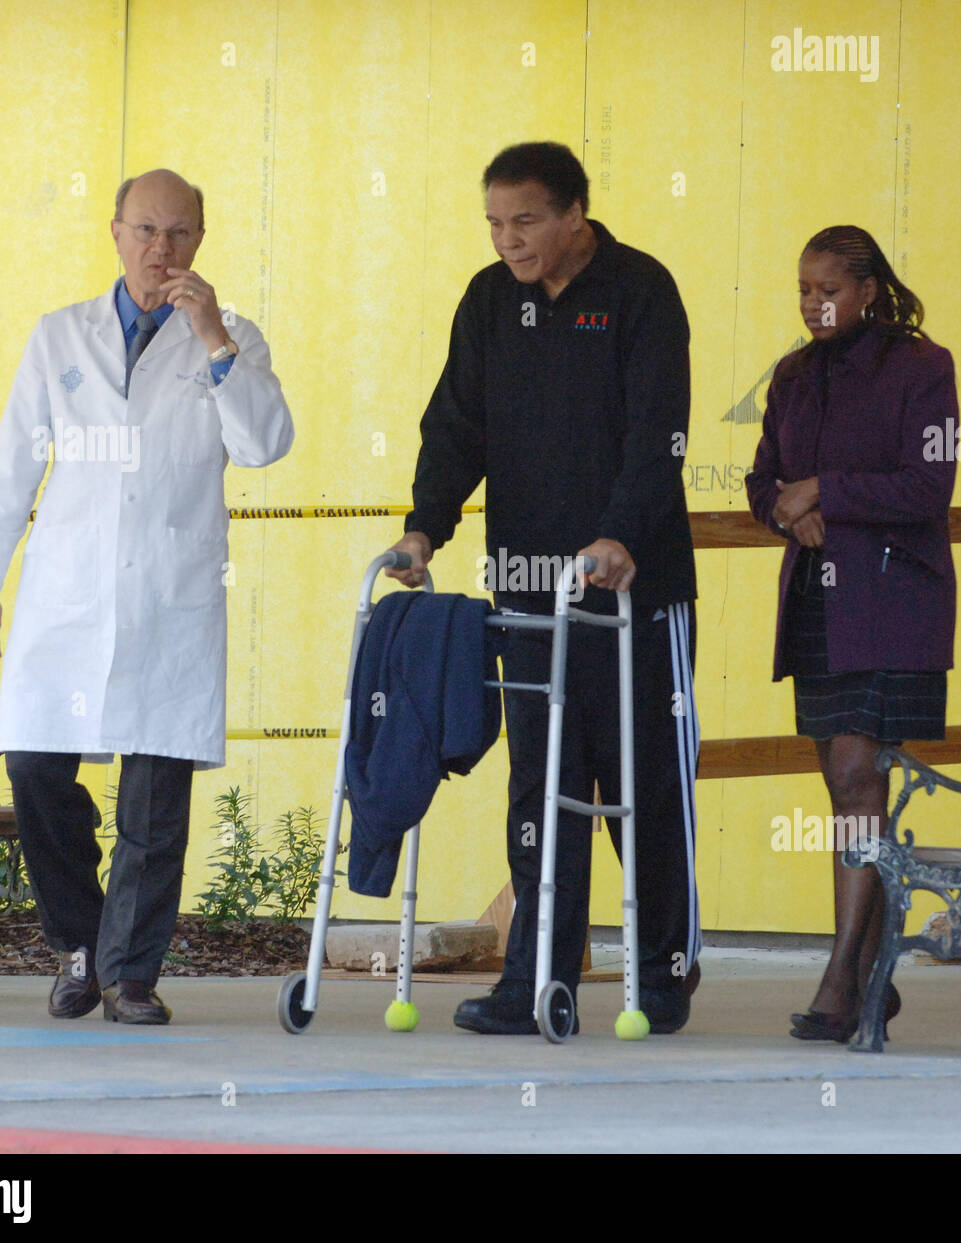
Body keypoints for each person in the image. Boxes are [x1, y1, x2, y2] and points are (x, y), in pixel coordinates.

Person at [0, 169, 294, 1024]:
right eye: (145, 229)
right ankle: (80, 944)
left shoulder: (233, 337)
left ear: (200, 244)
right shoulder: (61, 336)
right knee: (33, 768)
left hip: (170, 600)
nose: (159, 249)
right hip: (67, 598)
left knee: (154, 795)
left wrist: (214, 338)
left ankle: (129, 975)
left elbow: (263, 444)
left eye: (178, 234)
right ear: (114, 233)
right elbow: (11, 466)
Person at [387, 141, 701, 1034]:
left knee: (640, 780)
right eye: (493, 223)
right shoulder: (490, 302)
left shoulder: (642, 291)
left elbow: (659, 432)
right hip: (526, 589)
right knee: (540, 782)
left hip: (635, 592)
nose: (508, 240)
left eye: (525, 221)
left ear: (575, 215)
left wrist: (619, 532)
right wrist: (426, 526)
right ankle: (538, 978)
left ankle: (662, 969)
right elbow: (455, 425)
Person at [745, 225, 958, 1042]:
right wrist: (787, 511)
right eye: (803, 288)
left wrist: (823, 492)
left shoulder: (922, 367)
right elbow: (764, 478)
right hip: (817, 598)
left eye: (828, 288)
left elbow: (927, 485)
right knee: (841, 787)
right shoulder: (795, 374)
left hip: (894, 601)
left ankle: (842, 977)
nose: (813, 303)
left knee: (857, 772)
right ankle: (872, 975)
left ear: (868, 289)